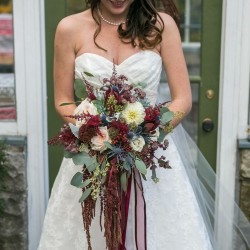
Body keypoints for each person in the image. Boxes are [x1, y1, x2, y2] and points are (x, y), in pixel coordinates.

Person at [38, 0, 250, 249]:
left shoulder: (161, 25)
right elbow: (63, 100)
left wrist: (140, 134)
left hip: (150, 155)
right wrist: (95, 129)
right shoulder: (69, 28)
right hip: (93, 154)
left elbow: (182, 98)